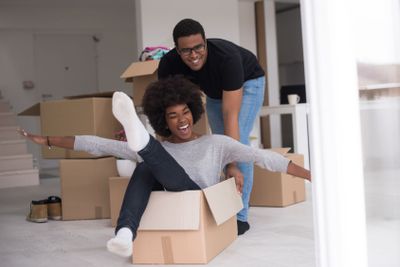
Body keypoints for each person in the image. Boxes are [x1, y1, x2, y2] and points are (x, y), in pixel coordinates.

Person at [20, 77, 311, 258]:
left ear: (194, 113)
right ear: (164, 120)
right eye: (173, 116)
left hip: (198, 199)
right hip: (166, 189)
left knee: (147, 157)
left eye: (185, 112)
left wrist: (311, 175)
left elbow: (264, 158)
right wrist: (46, 139)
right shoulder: (166, 148)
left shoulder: (217, 143)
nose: (182, 120)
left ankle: (140, 140)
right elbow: (98, 144)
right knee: (146, 166)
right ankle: (124, 235)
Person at [158, 18, 266, 234]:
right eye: (186, 51)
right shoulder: (168, 65)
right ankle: (224, 204)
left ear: (205, 42)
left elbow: (230, 114)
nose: (194, 55)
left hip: (248, 82)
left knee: (238, 141)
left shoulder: (228, 58)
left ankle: (240, 216)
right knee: (219, 144)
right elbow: (167, 108)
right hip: (215, 93)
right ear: (177, 51)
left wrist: (232, 164)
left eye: (199, 47)